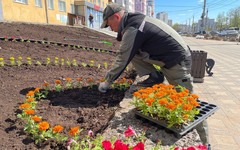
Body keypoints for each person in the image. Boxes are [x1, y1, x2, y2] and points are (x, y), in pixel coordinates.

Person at [98, 3, 208, 145]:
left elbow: (122, 58)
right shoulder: (133, 21)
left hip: (177, 61)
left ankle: (205, 144)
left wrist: (107, 82)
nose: (111, 29)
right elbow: (127, 51)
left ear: (116, 17)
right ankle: (155, 76)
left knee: (190, 104)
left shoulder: (133, 27)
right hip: (168, 59)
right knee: (133, 51)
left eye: (109, 24)